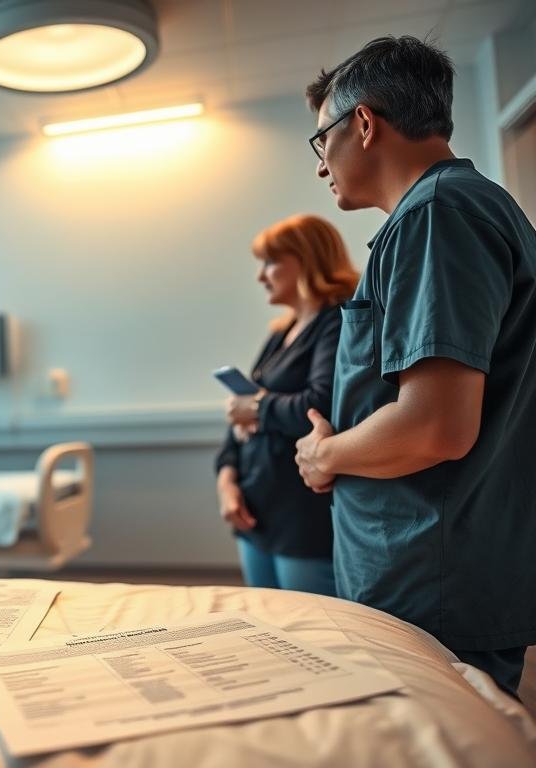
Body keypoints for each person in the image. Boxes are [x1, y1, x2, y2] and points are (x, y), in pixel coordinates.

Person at [293, 36, 536, 695]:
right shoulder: (451, 211)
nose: (322, 168)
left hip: (431, 579)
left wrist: (328, 455)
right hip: (434, 570)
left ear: (364, 123)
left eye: (322, 143)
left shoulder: (437, 214)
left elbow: (436, 427)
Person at [216, 214, 359, 595]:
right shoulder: (281, 332)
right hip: (257, 510)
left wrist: (260, 410)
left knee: (314, 637)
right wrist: (226, 478)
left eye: (270, 262)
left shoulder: (338, 322)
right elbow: (245, 407)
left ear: (308, 259)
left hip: (302, 519)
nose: (261, 276)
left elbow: (322, 403)